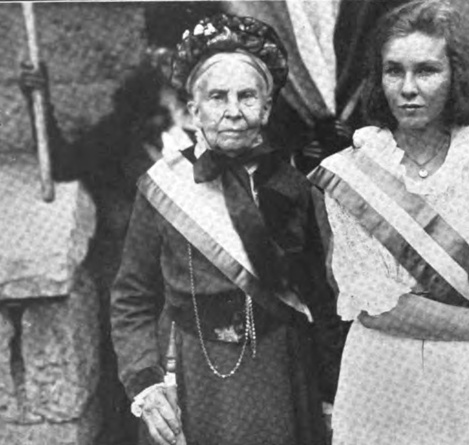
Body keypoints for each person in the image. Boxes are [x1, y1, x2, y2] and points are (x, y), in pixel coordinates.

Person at [309, 1, 469, 444]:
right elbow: (379, 308)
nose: (408, 88)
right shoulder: (351, 173)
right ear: (378, 78)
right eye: (393, 71)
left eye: (426, 71)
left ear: (454, 77)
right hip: (385, 378)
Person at [111, 13, 343, 445]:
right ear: (194, 110)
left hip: (280, 371)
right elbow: (132, 297)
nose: (233, 111)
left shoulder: (296, 187)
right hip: (192, 372)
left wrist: (331, 393)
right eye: (217, 97)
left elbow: (323, 299)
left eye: (247, 96)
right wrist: (145, 382)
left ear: (267, 108)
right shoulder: (164, 186)